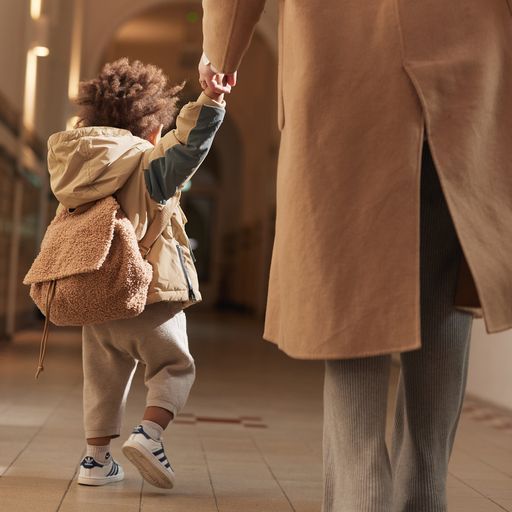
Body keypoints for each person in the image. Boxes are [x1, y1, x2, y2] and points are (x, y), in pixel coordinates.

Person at [199, 1, 512, 510]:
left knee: (348, 297)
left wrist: (221, 51)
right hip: (469, 57)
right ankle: (425, 496)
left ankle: (359, 500)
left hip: (344, 67)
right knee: (441, 293)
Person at [47, 58, 227, 489]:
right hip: (148, 296)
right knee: (173, 367)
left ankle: (95, 462)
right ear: (151, 129)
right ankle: (149, 435)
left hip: (95, 300)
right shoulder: (147, 163)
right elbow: (188, 146)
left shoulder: (75, 171)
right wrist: (211, 99)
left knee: (102, 378)